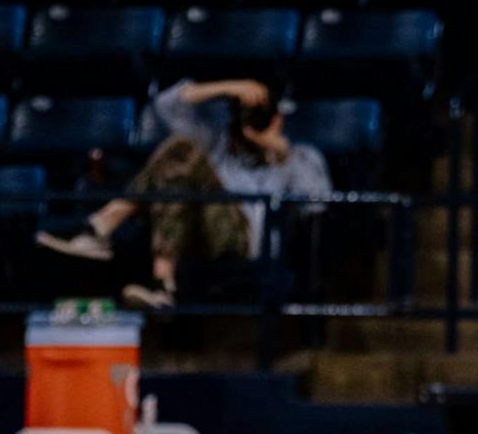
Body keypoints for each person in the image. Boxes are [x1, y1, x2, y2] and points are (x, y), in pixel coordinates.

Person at [35, 79, 330, 308]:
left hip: (245, 239)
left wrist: (281, 152)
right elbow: (165, 104)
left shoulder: (300, 155)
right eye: (248, 115)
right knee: (177, 162)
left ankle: (100, 227)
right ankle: (163, 285)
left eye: (263, 116)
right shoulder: (216, 143)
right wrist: (230, 86)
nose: (255, 122)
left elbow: (318, 202)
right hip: (196, 227)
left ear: (278, 118)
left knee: (182, 150)